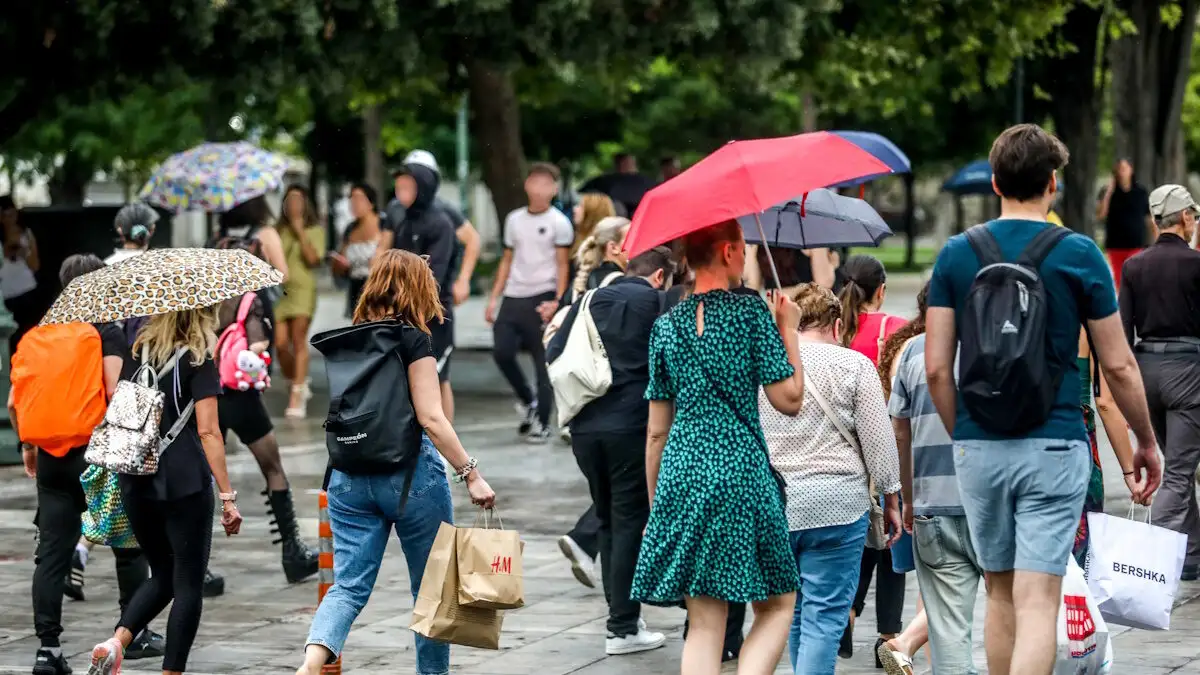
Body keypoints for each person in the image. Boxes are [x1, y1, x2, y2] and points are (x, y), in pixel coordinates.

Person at [926, 123, 1160, 675]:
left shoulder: (957, 255)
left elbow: (937, 367)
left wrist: (965, 434)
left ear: (994, 181)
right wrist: (1145, 439)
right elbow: (1119, 364)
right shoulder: (1079, 254)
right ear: (1052, 183)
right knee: (1038, 601)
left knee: (1000, 593)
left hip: (980, 447)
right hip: (1054, 443)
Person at [292, 249, 497, 675]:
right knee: (432, 591)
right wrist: (471, 474)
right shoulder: (412, 339)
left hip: (347, 476)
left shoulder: (349, 339)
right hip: (410, 478)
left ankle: (311, 663)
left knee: (346, 587)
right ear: (418, 288)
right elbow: (431, 417)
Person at [633, 219, 806, 675]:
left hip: (681, 474)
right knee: (777, 603)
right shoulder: (751, 315)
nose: (747, 254)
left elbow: (656, 432)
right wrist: (788, 328)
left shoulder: (665, 327)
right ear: (729, 252)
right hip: (740, 473)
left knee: (705, 623)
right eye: (744, 247)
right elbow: (789, 400)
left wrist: (660, 502)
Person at [15, 255, 164, 675]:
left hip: (50, 457)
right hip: (95, 456)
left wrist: (30, 445)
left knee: (52, 554)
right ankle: (134, 636)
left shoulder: (42, 333)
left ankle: (48, 650)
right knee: (127, 544)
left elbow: (19, 398)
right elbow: (114, 392)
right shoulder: (106, 332)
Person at [88, 305, 243, 675]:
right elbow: (208, 432)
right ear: (202, 315)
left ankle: (116, 643)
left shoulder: (138, 349)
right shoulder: (199, 359)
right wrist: (227, 495)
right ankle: (171, 671)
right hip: (183, 481)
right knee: (188, 582)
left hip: (136, 478)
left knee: (161, 573)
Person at [757, 282, 901, 674]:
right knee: (826, 616)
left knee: (792, 610)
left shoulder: (766, 366)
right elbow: (878, 440)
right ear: (837, 326)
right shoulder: (854, 365)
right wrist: (891, 496)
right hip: (837, 504)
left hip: (776, 503)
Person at [546, 246, 675, 656]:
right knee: (627, 521)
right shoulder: (657, 303)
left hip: (586, 427)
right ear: (659, 277)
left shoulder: (588, 299)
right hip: (632, 426)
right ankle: (622, 626)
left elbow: (554, 352)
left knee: (606, 519)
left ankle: (623, 620)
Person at [884, 284, 980, 675]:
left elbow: (900, 435)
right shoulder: (994, 346)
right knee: (1013, 612)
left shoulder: (911, 352)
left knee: (949, 627)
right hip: (989, 503)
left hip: (930, 506)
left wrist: (907, 499)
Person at [214, 263, 320, 584]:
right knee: (272, 466)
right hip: (243, 399)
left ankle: (195, 565)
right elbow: (258, 345)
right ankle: (292, 551)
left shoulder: (204, 301)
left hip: (208, 398)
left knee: (203, 477)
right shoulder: (250, 299)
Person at [1120, 183, 1200, 579]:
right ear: (1185, 218)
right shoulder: (1197, 264)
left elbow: (1123, 331)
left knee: (1179, 463)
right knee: (1181, 473)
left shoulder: (1134, 266)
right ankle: (1157, 569)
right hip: (1188, 372)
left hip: (1146, 373)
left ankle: (1192, 557)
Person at [553, 216, 633, 586]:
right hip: (614, 408)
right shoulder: (621, 289)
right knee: (623, 503)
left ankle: (585, 542)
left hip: (583, 410)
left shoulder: (586, 284)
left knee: (611, 500)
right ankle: (624, 615)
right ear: (614, 247)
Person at [837, 253, 909, 661]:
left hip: (845, 455)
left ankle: (847, 611)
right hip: (885, 450)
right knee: (891, 545)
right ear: (881, 291)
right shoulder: (893, 331)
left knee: (863, 542)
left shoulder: (831, 333)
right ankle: (888, 637)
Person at [485, 162, 573, 442]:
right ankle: (528, 400)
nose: (539, 188)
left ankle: (543, 423)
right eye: (535, 181)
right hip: (514, 295)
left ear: (554, 189)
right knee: (502, 351)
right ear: (526, 185)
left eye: (546, 183)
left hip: (543, 294)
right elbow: (507, 260)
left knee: (541, 361)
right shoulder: (514, 219)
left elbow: (562, 265)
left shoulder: (559, 222)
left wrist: (558, 301)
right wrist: (493, 298)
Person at [380, 155, 461, 422]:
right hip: (405, 311)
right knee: (409, 376)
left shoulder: (441, 223)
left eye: (407, 187)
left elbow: (432, 275)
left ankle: (446, 445)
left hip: (436, 313)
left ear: (423, 187)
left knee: (439, 377)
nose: (400, 193)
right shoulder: (403, 220)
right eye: (398, 187)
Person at [273, 185, 327, 419]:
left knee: (298, 340)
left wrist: (300, 231)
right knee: (280, 344)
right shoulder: (277, 230)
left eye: (298, 200)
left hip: (303, 291)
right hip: (280, 292)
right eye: (289, 200)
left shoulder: (315, 229)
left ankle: (296, 396)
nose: (293, 204)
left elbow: (314, 259)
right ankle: (297, 379)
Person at [329, 183, 384, 317]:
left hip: (380, 288)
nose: (354, 203)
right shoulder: (350, 229)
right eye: (351, 199)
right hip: (356, 287)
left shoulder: (384, 224)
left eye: (359, 199)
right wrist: (339, 263)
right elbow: (339, 264)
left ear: (371, 203)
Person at [1096, 158, 1152, 289]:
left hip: (1135, 243)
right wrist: (1109, 192)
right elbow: (1101, 214)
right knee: (1119, 280)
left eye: (1124, 168)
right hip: (1115, 244)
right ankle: (1123, 306)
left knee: (1134, 276)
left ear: (1131, 170)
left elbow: (1149, 218)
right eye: (1119, 169)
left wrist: (1156, 238)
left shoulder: (1140, 192)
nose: (1122, 172)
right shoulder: (1108, 193)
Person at [0, 195, 41, 358]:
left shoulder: (27, 233)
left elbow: (35, 265)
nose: (10, 219)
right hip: (6, 294)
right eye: (5, 215)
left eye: (12, 214)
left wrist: (24, 252)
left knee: (28, 336)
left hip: (26, 291)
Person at [745, 246, 839, 295]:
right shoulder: (810, 234)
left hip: (776, 311)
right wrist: (831, 266)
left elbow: (753, 285)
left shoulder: (760, 236)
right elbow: (825, 282)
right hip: (808, 314)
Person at [570, 193, 618, 259]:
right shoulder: (577, 237)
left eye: (580, 206)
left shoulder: (599, 247)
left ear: (591, 213)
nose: (574, 209)